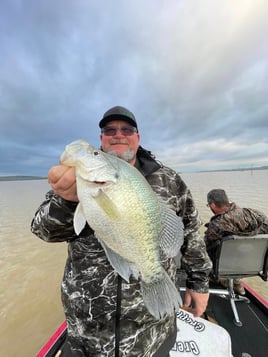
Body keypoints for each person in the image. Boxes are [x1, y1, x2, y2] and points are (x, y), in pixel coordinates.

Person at [31, 105, 212, 357]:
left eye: (127, 129)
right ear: (101, 139)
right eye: (109, 130)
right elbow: (43, 231)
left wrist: (200, 283)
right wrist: (66, 201)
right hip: (89, 328)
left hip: (150, 331)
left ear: (138, 138)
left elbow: (191, 233)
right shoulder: (76, 180)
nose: (118, 134)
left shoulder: (169, 180)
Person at [204, 188, 268, 295]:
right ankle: (236, 283)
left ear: (213, 205)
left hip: (225, 266)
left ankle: (218, 281)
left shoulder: (216, 225)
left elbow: (204, 248)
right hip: (253, 264)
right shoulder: (255, 214)